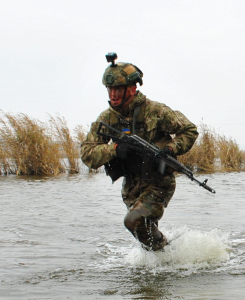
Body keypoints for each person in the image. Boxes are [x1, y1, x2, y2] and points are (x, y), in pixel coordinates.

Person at [80, 53, 199, 251]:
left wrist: (169, 149)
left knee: (133, 221)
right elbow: (87, 154)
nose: (113, 94)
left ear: (133, 88)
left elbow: (189, 130)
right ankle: (166, 261)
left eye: (118, 89)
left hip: (159, 182)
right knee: (144, 234)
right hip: (131, 188)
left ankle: (166, 254)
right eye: (110, 89)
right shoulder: (107, 118)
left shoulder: (156, 111)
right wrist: (115, 149)